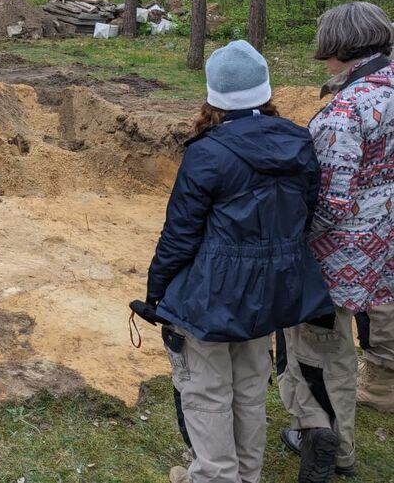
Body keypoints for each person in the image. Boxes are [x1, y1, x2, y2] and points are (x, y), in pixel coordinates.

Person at [146, 40, 333, 483]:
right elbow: (305, 214)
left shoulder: (207, 153)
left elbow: (180, 234)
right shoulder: (299, 141)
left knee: (207, 389)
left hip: (212, 293)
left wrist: (157, 291)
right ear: (266, 89)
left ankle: (214, 476)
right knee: (250, 385)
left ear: (212, 95)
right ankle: (245, 475)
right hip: (273, 290)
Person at [278, 2, 394, 482]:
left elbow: (329, 201)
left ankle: (331, 442)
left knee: (320, 348)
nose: (322, 57)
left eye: (325, 47)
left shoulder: (344, 113)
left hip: (339, 256)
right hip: (384, 244)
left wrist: (292, 242)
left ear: (341, 47)